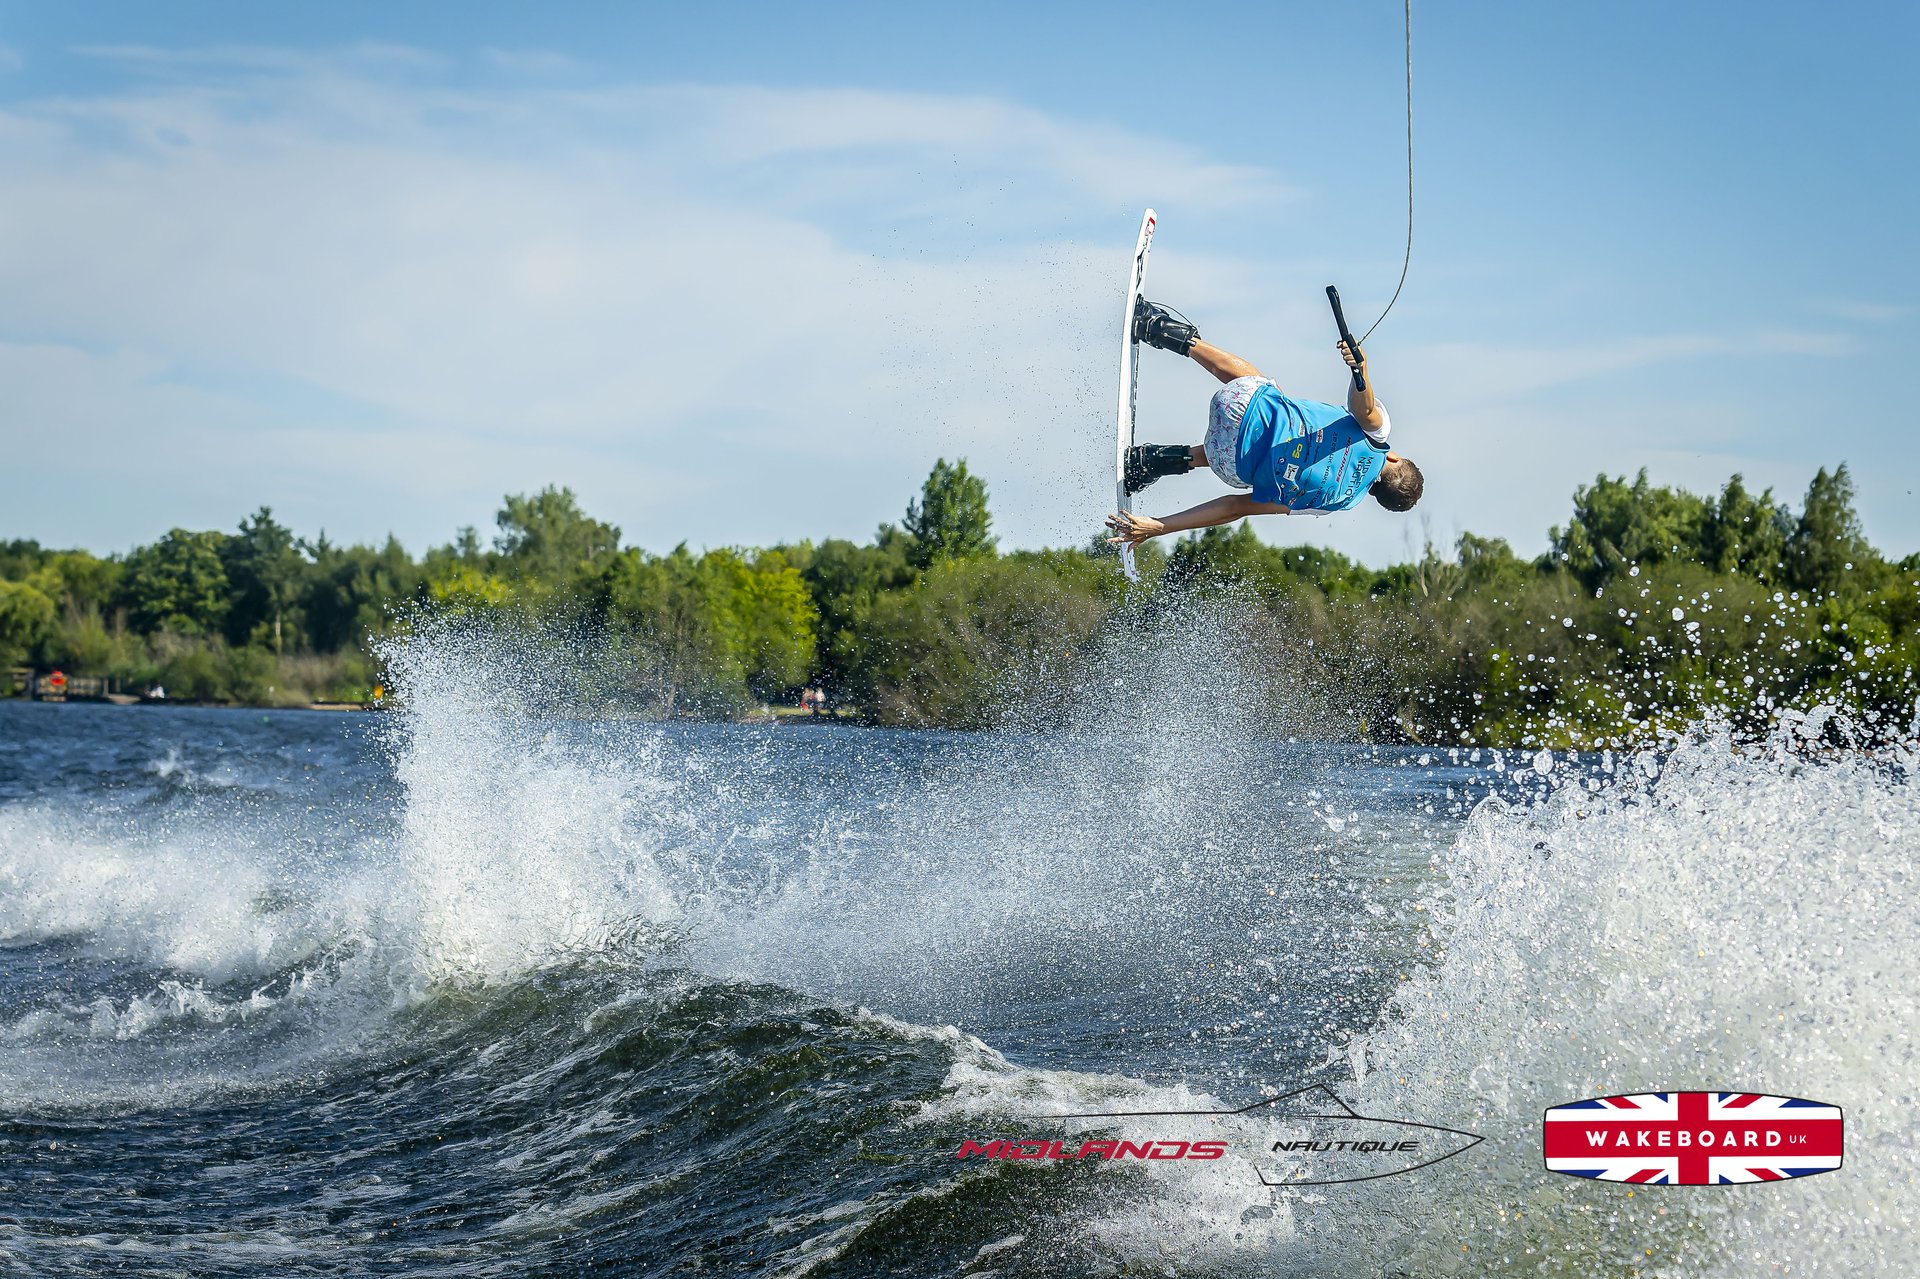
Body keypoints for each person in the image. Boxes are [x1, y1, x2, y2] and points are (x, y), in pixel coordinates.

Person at [1106, 301, 1423, 548]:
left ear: (1394, 457)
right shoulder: (1338, 503)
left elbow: (1363, 406)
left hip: (1237, 402)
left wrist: (1361, 370)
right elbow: (1236, 507)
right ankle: (1149, 463)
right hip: (1226, 464)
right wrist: (1159, 526)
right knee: (1265, 463)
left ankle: (1155, 326)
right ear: (1373, 496)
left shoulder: (1377, 437)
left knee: (1268, 395)